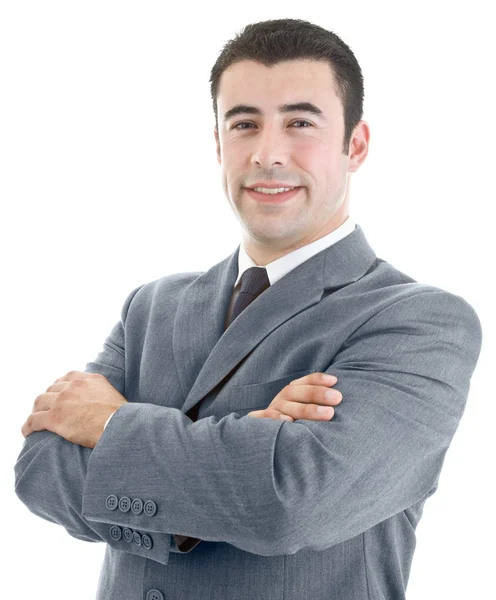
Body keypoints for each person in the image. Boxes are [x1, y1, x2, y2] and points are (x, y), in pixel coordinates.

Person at [14, 18, 482, 600]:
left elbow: (291, 503)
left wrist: (109, 426)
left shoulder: (418, 322)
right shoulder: (151, 307)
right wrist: (239, 456)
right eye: (244, 124)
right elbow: (40, 474)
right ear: (218, 144)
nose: (267, 153)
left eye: (300, 123)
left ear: (354, 144)